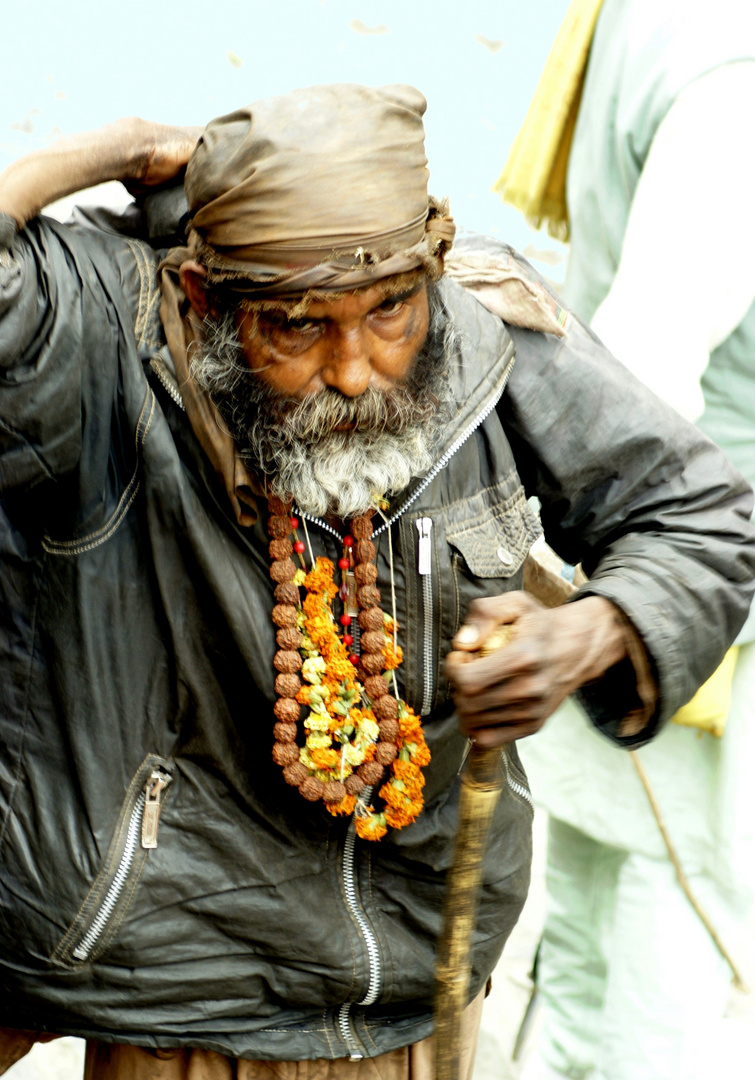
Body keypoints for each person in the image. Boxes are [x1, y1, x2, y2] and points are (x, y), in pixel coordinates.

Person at [0, 83, 752, 1080]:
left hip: (424, 980)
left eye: (391, 310)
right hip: (179, 997)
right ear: (203, 301)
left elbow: (698, 513)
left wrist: (585, 633)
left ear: (431, 273)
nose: (356, 369)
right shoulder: (104, 332)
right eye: (300, 328)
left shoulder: (482, 330)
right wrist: (124, 146)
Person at [495, 2, 755, 1078]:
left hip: (618, 567)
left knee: (598, 946)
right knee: (677, 958)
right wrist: (600, 608)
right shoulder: (728, 68)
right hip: (684, 595)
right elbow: (651, 344)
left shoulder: (645, 15)